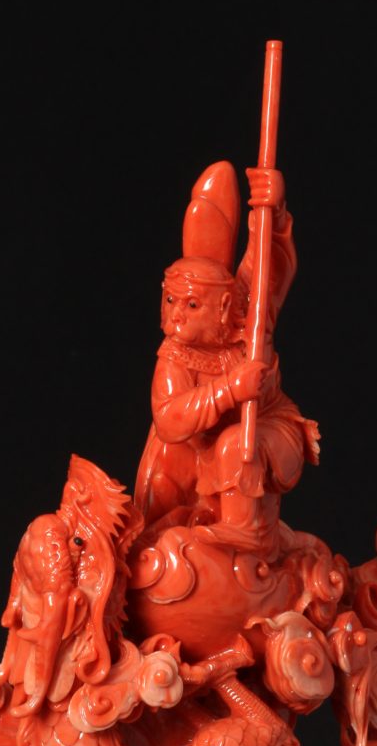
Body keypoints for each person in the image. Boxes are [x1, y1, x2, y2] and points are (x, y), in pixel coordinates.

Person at [133, 164, 320, 554]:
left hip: (269, 430)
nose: (176, 314)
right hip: (205, 454)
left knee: (234, 443)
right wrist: (229, 390)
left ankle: (245, 530)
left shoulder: (247, 323)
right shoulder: (174, 356)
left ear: (222, 308)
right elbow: (168, 418)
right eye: (170, 300)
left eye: (192, 305)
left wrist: (272, 213)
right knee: (170, 463)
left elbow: (269, 269)